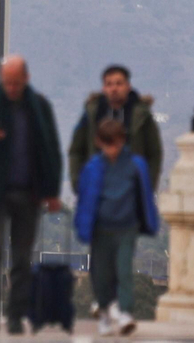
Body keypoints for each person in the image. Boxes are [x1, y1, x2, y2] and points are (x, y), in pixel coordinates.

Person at [0, 55, 63, 335]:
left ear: (25, 79)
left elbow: (51, 150)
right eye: (7, 82)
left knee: (21, 258)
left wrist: (52, 192)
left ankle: (16, 315)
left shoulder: (38, 107)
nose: (12, 88)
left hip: (29, 194)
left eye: (16, 83)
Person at [74, 119, 159, 337]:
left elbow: (145, 195)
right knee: (101, 274)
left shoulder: (135, 164)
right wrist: (83, 228)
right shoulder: (92, 168)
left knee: (124, 270)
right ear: (99, 142)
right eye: (107, 143)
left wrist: (148, 221)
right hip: (100, 229)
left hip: (126, 228)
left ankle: (125, 313)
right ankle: (104, 313)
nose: (112, 148)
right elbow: (85, 200)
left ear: (123, 140)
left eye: (116, 142)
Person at [66, 64, 163, 187]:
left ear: (128, 86)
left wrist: (148, 185)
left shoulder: (141, 115)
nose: (114, 89)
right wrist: (78, 182)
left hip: (131, 185)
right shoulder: (92, 114)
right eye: (109, 84)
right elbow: (76, 150)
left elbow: (154, 152)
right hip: (97, 183)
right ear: (103, 88)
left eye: (119, 84)